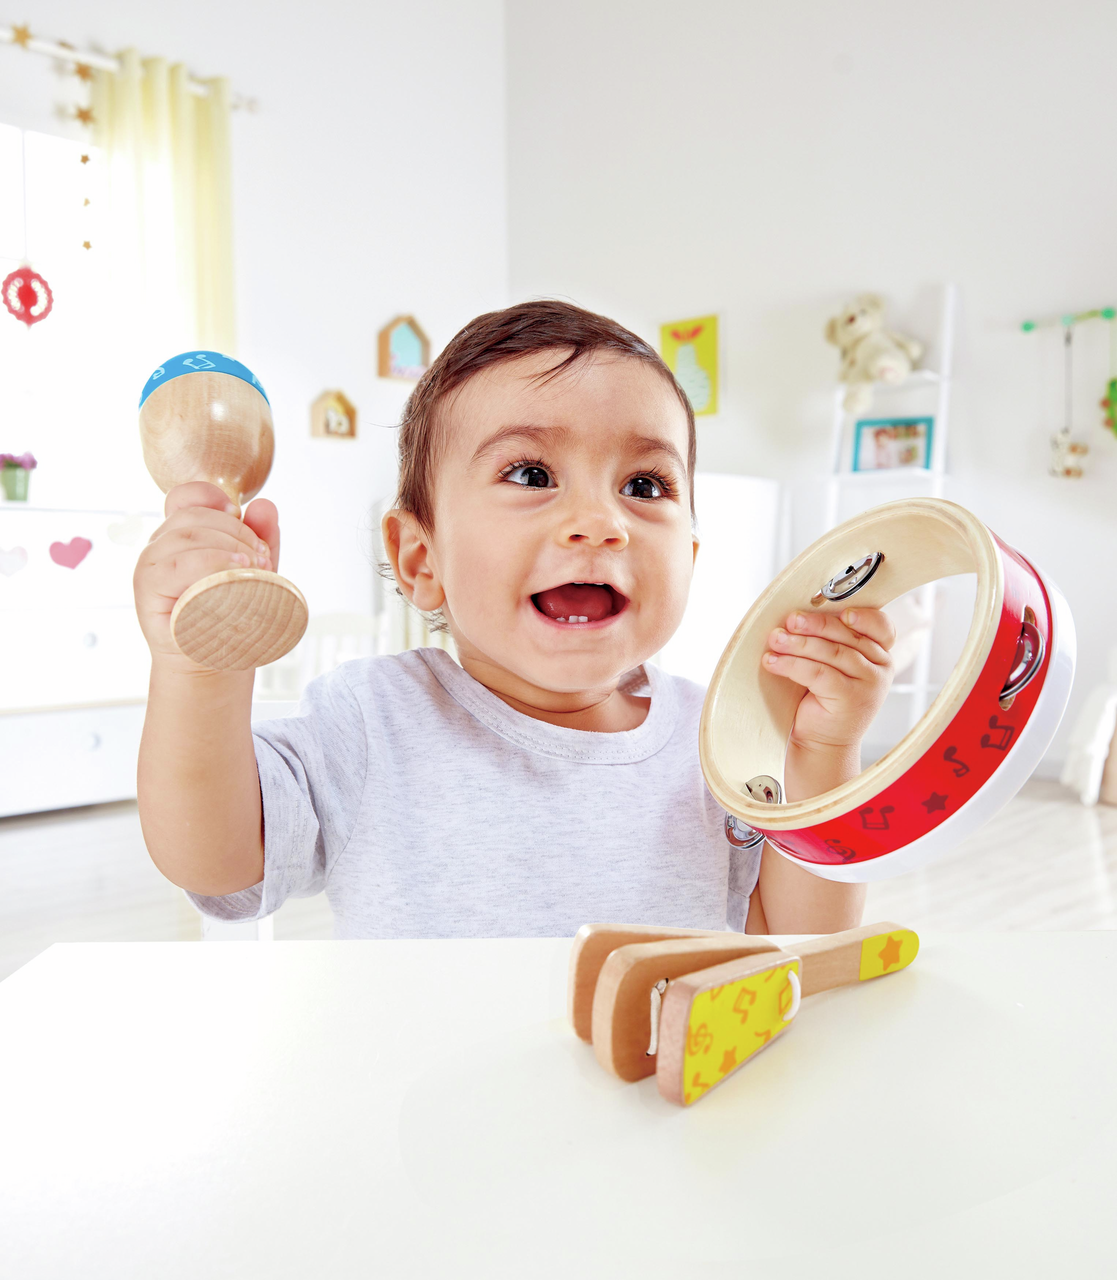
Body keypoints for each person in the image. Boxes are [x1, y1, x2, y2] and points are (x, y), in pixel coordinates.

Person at [134, 300, 894, 938]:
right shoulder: (370, 721)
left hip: (648, 1109)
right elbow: (215, 858)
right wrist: (199, 668)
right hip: (425, 1110)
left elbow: (795, 942)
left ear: (691, 555)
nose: (600, 522)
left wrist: (822, 753)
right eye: (531, 474)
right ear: (419, 559)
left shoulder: (720, 743)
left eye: (644, 483)